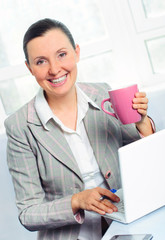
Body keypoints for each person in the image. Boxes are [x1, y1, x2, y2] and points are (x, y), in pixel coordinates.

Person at [5, 18, 154, 240]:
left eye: (62, 54)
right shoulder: (19, 127)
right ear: (29, 68)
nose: (55, 70)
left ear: (76, 53)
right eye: (41, 61)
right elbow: (28, 213)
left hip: (127, 228)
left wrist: (141, 122)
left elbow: (146, 161)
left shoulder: (103, 94)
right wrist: (77, 201)